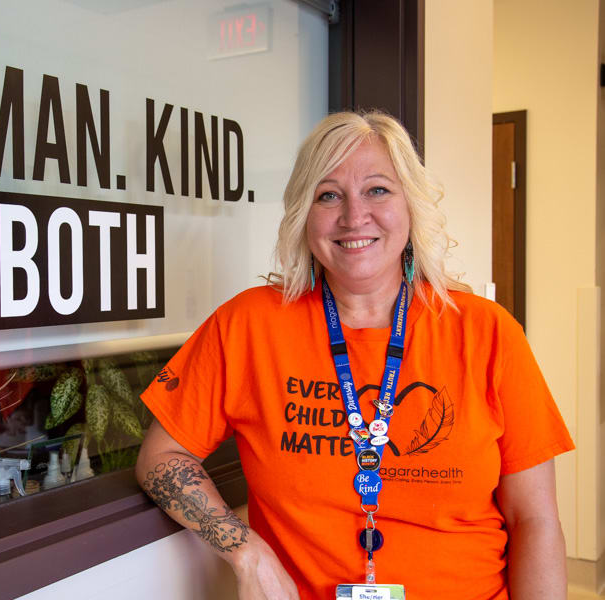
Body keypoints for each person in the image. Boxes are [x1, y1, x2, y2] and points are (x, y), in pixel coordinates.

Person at [135, 111, 574, 599]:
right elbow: (162, 457)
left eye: (378, 190)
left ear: (410, 205)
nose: (353, 216)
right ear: (305, 213)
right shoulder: (248, 326)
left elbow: (533, 519)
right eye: (329, 195)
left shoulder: (488, 333)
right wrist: (247, 553)